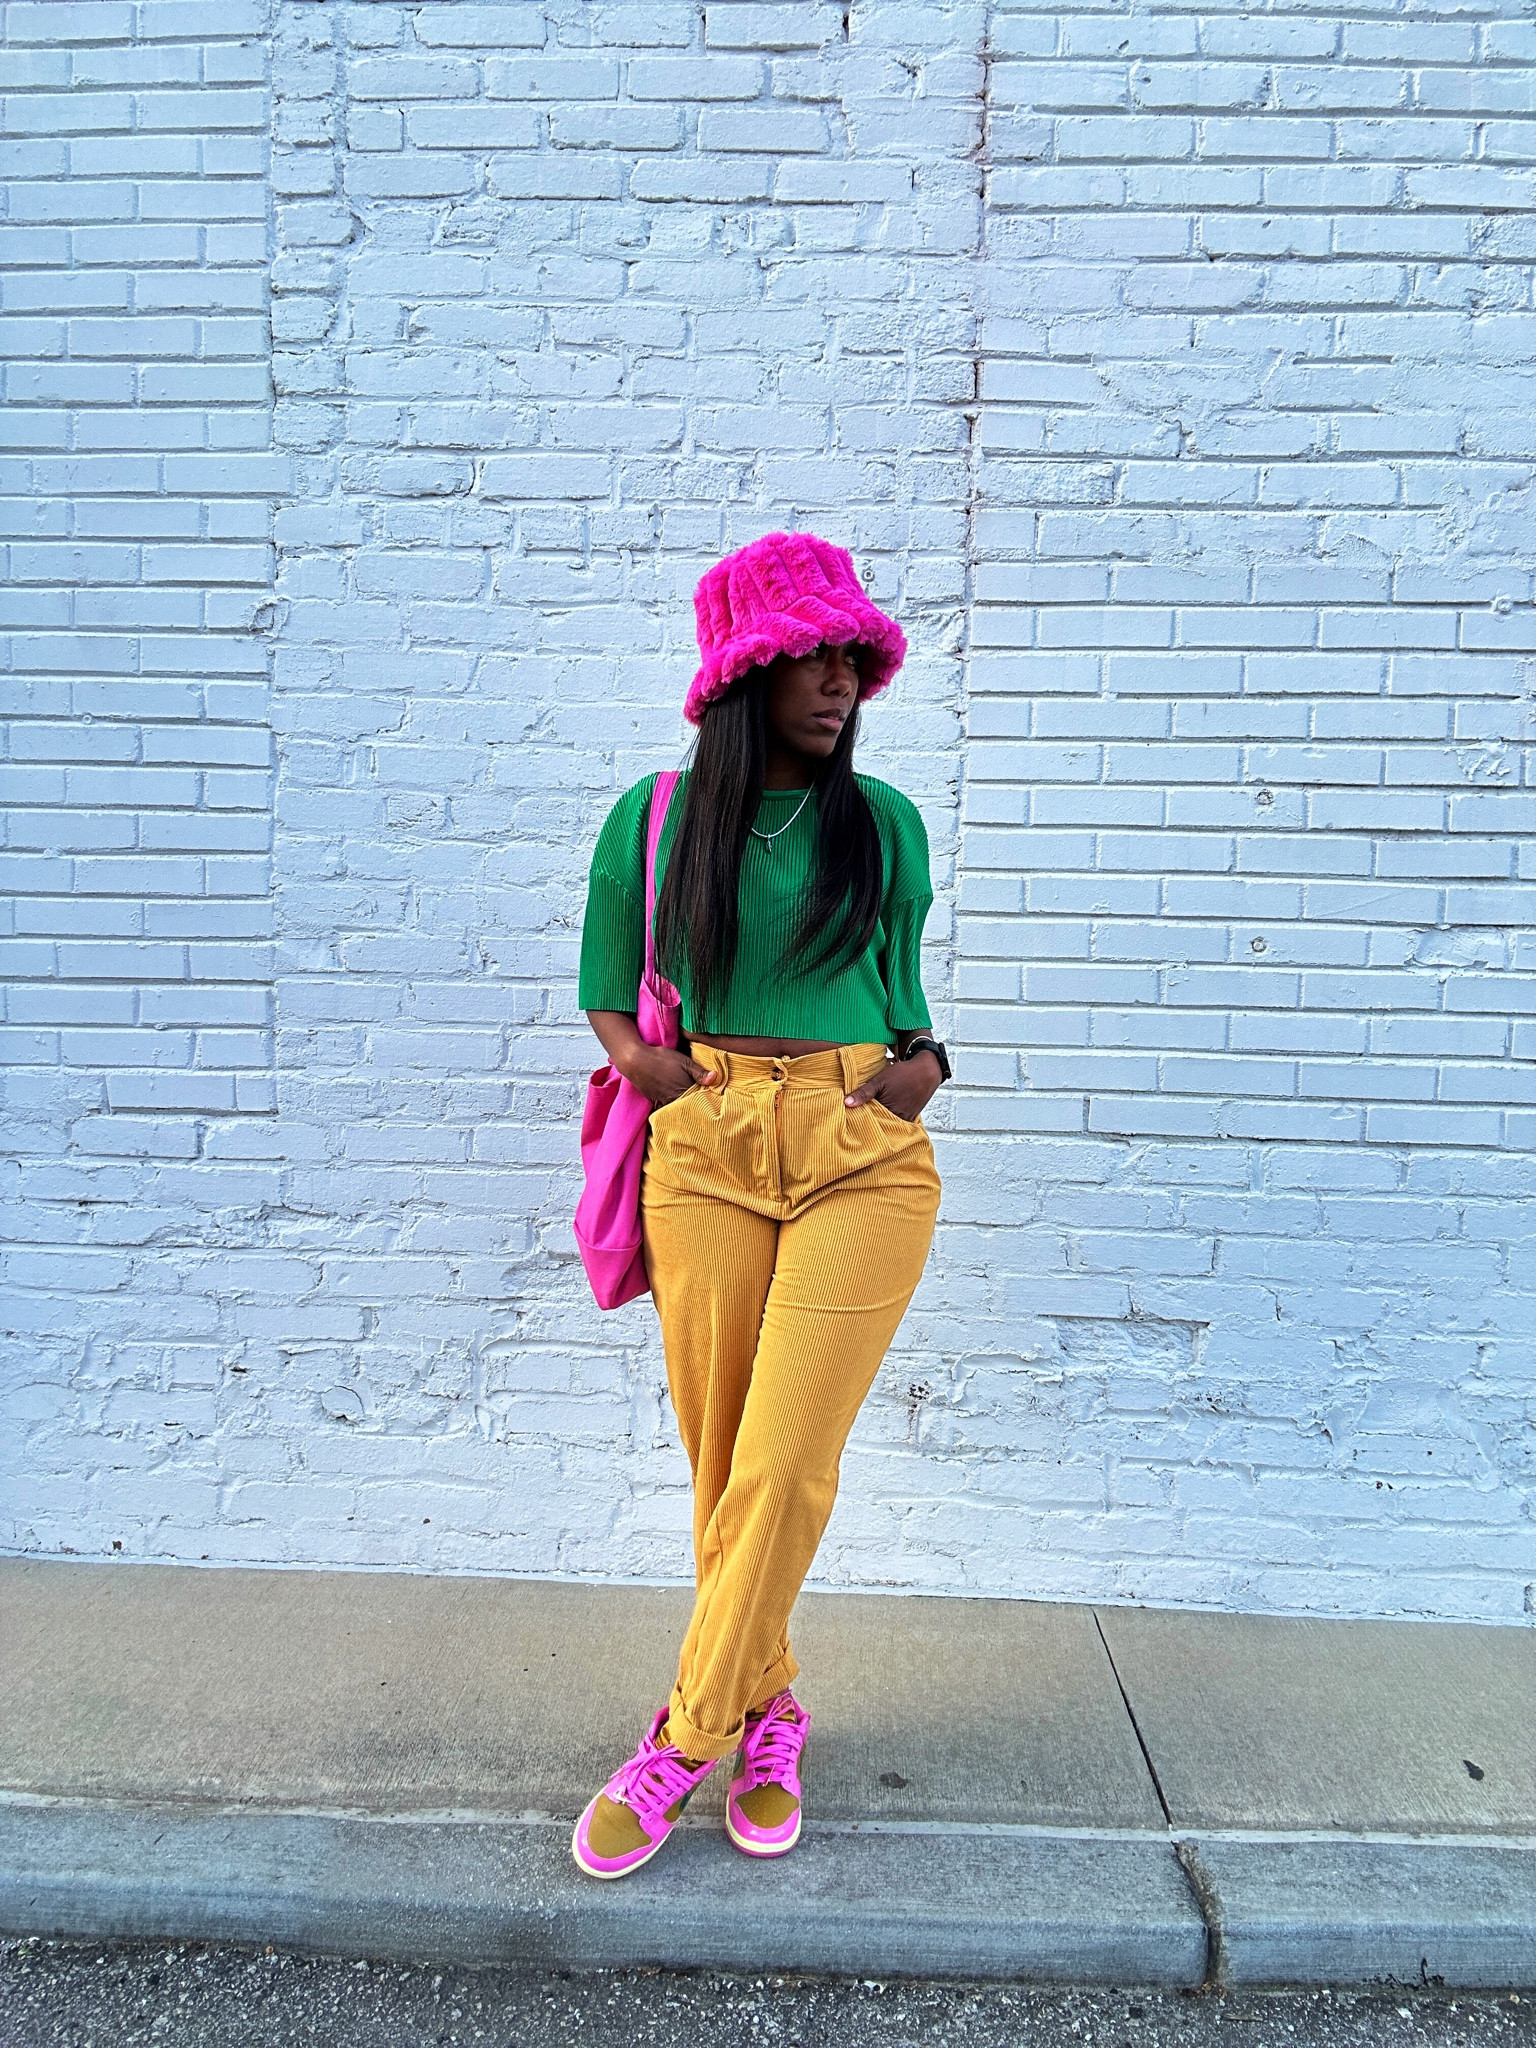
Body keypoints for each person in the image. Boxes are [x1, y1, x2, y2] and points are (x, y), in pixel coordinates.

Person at [571, 532, 949, 1880]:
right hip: (710, 1143)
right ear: (748, 674)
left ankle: (682, 1736)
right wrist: (663, 1084)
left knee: (784, 1462)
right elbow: (608, 990)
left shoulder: (886, 823)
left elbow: (909, 1004)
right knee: (726, 1472)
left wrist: (912, 1081)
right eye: (813, 656)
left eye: (855, 658)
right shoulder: (656, 817)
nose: (841, 681)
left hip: (860, 1145)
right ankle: (773, 1705)